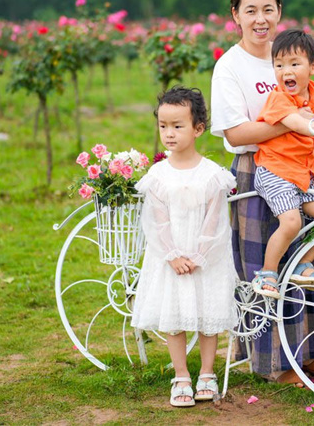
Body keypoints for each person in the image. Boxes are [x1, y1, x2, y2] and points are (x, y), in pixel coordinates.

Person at [210, 0, 314, 385]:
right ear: (235, 15)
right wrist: (297, 125)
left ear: (279, 12)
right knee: (267, 268)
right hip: (258, 173)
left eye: (267, 9)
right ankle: (278, 363)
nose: (260, 19)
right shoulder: (229, 66)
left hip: (304, 167)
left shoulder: (290, 53)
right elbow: (236, 134)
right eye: (250, 10)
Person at [131, 87, 238, 407]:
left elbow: (216, 221)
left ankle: (207, 372)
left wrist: (200, 255)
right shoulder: (158, 175)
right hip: (171, 258)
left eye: (178, 126)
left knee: (208, 313)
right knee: (174, 313)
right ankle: (181, 376)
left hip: (207, 258)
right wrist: (172, 255)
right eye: (163, 126)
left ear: (198, 128)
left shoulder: (213, 176)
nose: (169, 133)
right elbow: (155, 220)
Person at [251, 29, 314, 299]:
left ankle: (303, 264)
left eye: (295, 64)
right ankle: (267, 273)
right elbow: (297, 123)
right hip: (275, 170)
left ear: (313, 66)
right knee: (292, 222)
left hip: (305, 174)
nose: (287, 72)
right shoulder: (279, 99)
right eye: (279, 65)